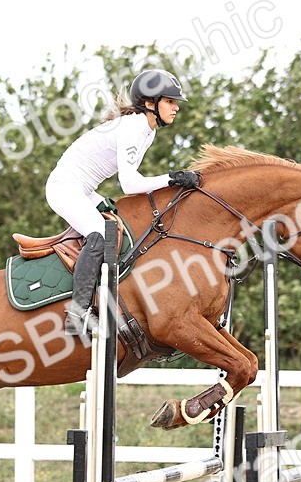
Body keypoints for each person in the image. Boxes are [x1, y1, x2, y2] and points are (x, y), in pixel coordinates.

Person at [46, 68, 202, 335]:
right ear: (150, 104)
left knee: (121, 227)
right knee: (99, 234)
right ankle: (77, 313)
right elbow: (129, 184)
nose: (176, 108)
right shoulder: (134, 127)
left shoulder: (148, 130)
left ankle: (109, 301)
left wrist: (171, 180)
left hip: (83, 189)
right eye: (170, 101)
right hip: (65, 188)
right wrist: (172, 178)